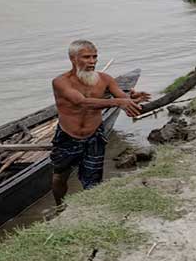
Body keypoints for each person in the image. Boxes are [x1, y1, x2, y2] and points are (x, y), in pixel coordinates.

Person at [50, 40, 150, 205]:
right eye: (86, 57)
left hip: (94, 134)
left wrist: (132, 99)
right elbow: (81, 102)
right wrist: (118, 103)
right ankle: (59, 207)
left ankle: (91, 208)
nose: (92, 61)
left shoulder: (105, 79)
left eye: (95, 57)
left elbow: (122, 97)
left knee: (94, 179)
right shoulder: (61, 82)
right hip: (67, 135)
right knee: (60, 175)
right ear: (73, 58)